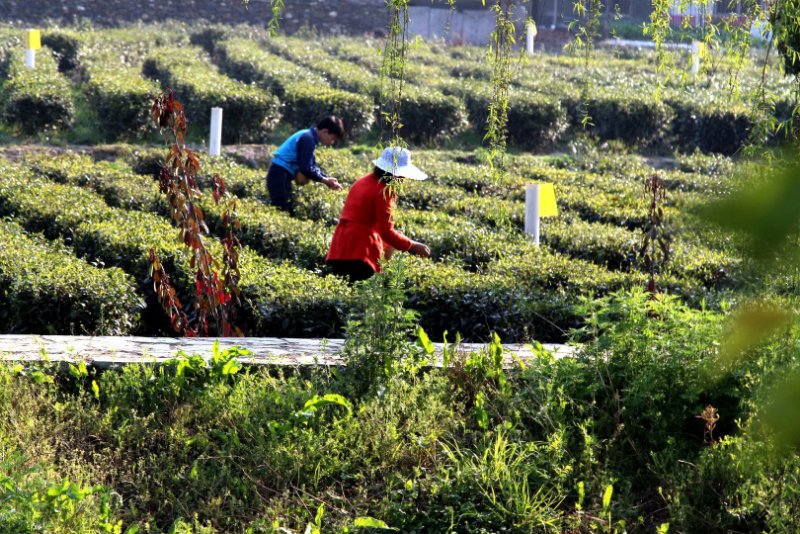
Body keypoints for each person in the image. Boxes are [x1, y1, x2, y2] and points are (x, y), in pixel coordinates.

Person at [326, 146, 431, 283]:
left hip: (339, 248)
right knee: (361, 299)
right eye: (401, 175)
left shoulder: (361, 182)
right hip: (361, 252)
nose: (403, 179)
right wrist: (412, 245)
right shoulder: (384, 191)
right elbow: (386, 232)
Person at [266, 116, 344, 215]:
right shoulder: (308, 139)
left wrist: (327, 178)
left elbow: (311, 165)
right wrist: (325, 181)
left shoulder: (308, 136)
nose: (332, 142)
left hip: (280, 175)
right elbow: (306, 168)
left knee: (287, 210)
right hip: (280, 175)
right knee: (283, 212)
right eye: (333, 138)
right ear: (325, 131)